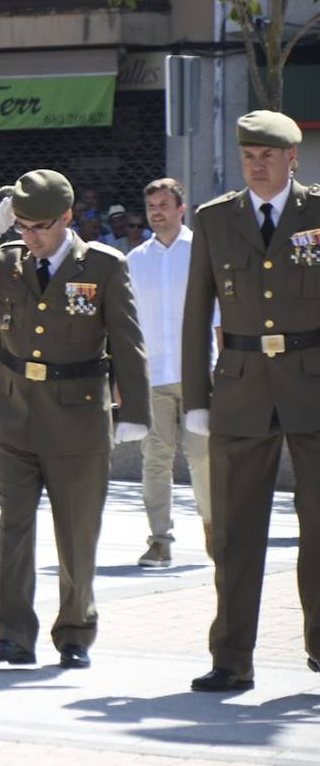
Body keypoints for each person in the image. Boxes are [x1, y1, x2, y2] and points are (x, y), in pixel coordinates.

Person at [0, 168, 150, 670]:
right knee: (14, 528)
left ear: (68, 217)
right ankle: (11, 633)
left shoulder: (103, 265)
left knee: (76, 534)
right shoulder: (8, 262)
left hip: (77, 415)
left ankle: (74, 631)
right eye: (23, 227)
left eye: (41, 227)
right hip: (13, 411)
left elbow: (128, 341)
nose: (31, 237)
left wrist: (134, 411)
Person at [184, 110, 320, 693]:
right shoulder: (216, 220)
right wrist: (197, 397)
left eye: (267, 156)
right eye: (248, 156)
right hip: (239, 388)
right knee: (237, 533)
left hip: (314, 383)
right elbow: (196, 316)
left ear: (293, 159)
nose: (256, 165)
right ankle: (231, 658)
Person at [125, 177, 213, 569]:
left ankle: (214, 528)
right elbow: (128, 324)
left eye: (164, 205)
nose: (157, 213)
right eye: (151, 207)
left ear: (182, 208)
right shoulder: (135, 259)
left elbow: (220, 317)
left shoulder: (202, 252)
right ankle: (159, 539)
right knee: (154, 459)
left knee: (204, 459)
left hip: (199, 374)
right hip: (152, 374)